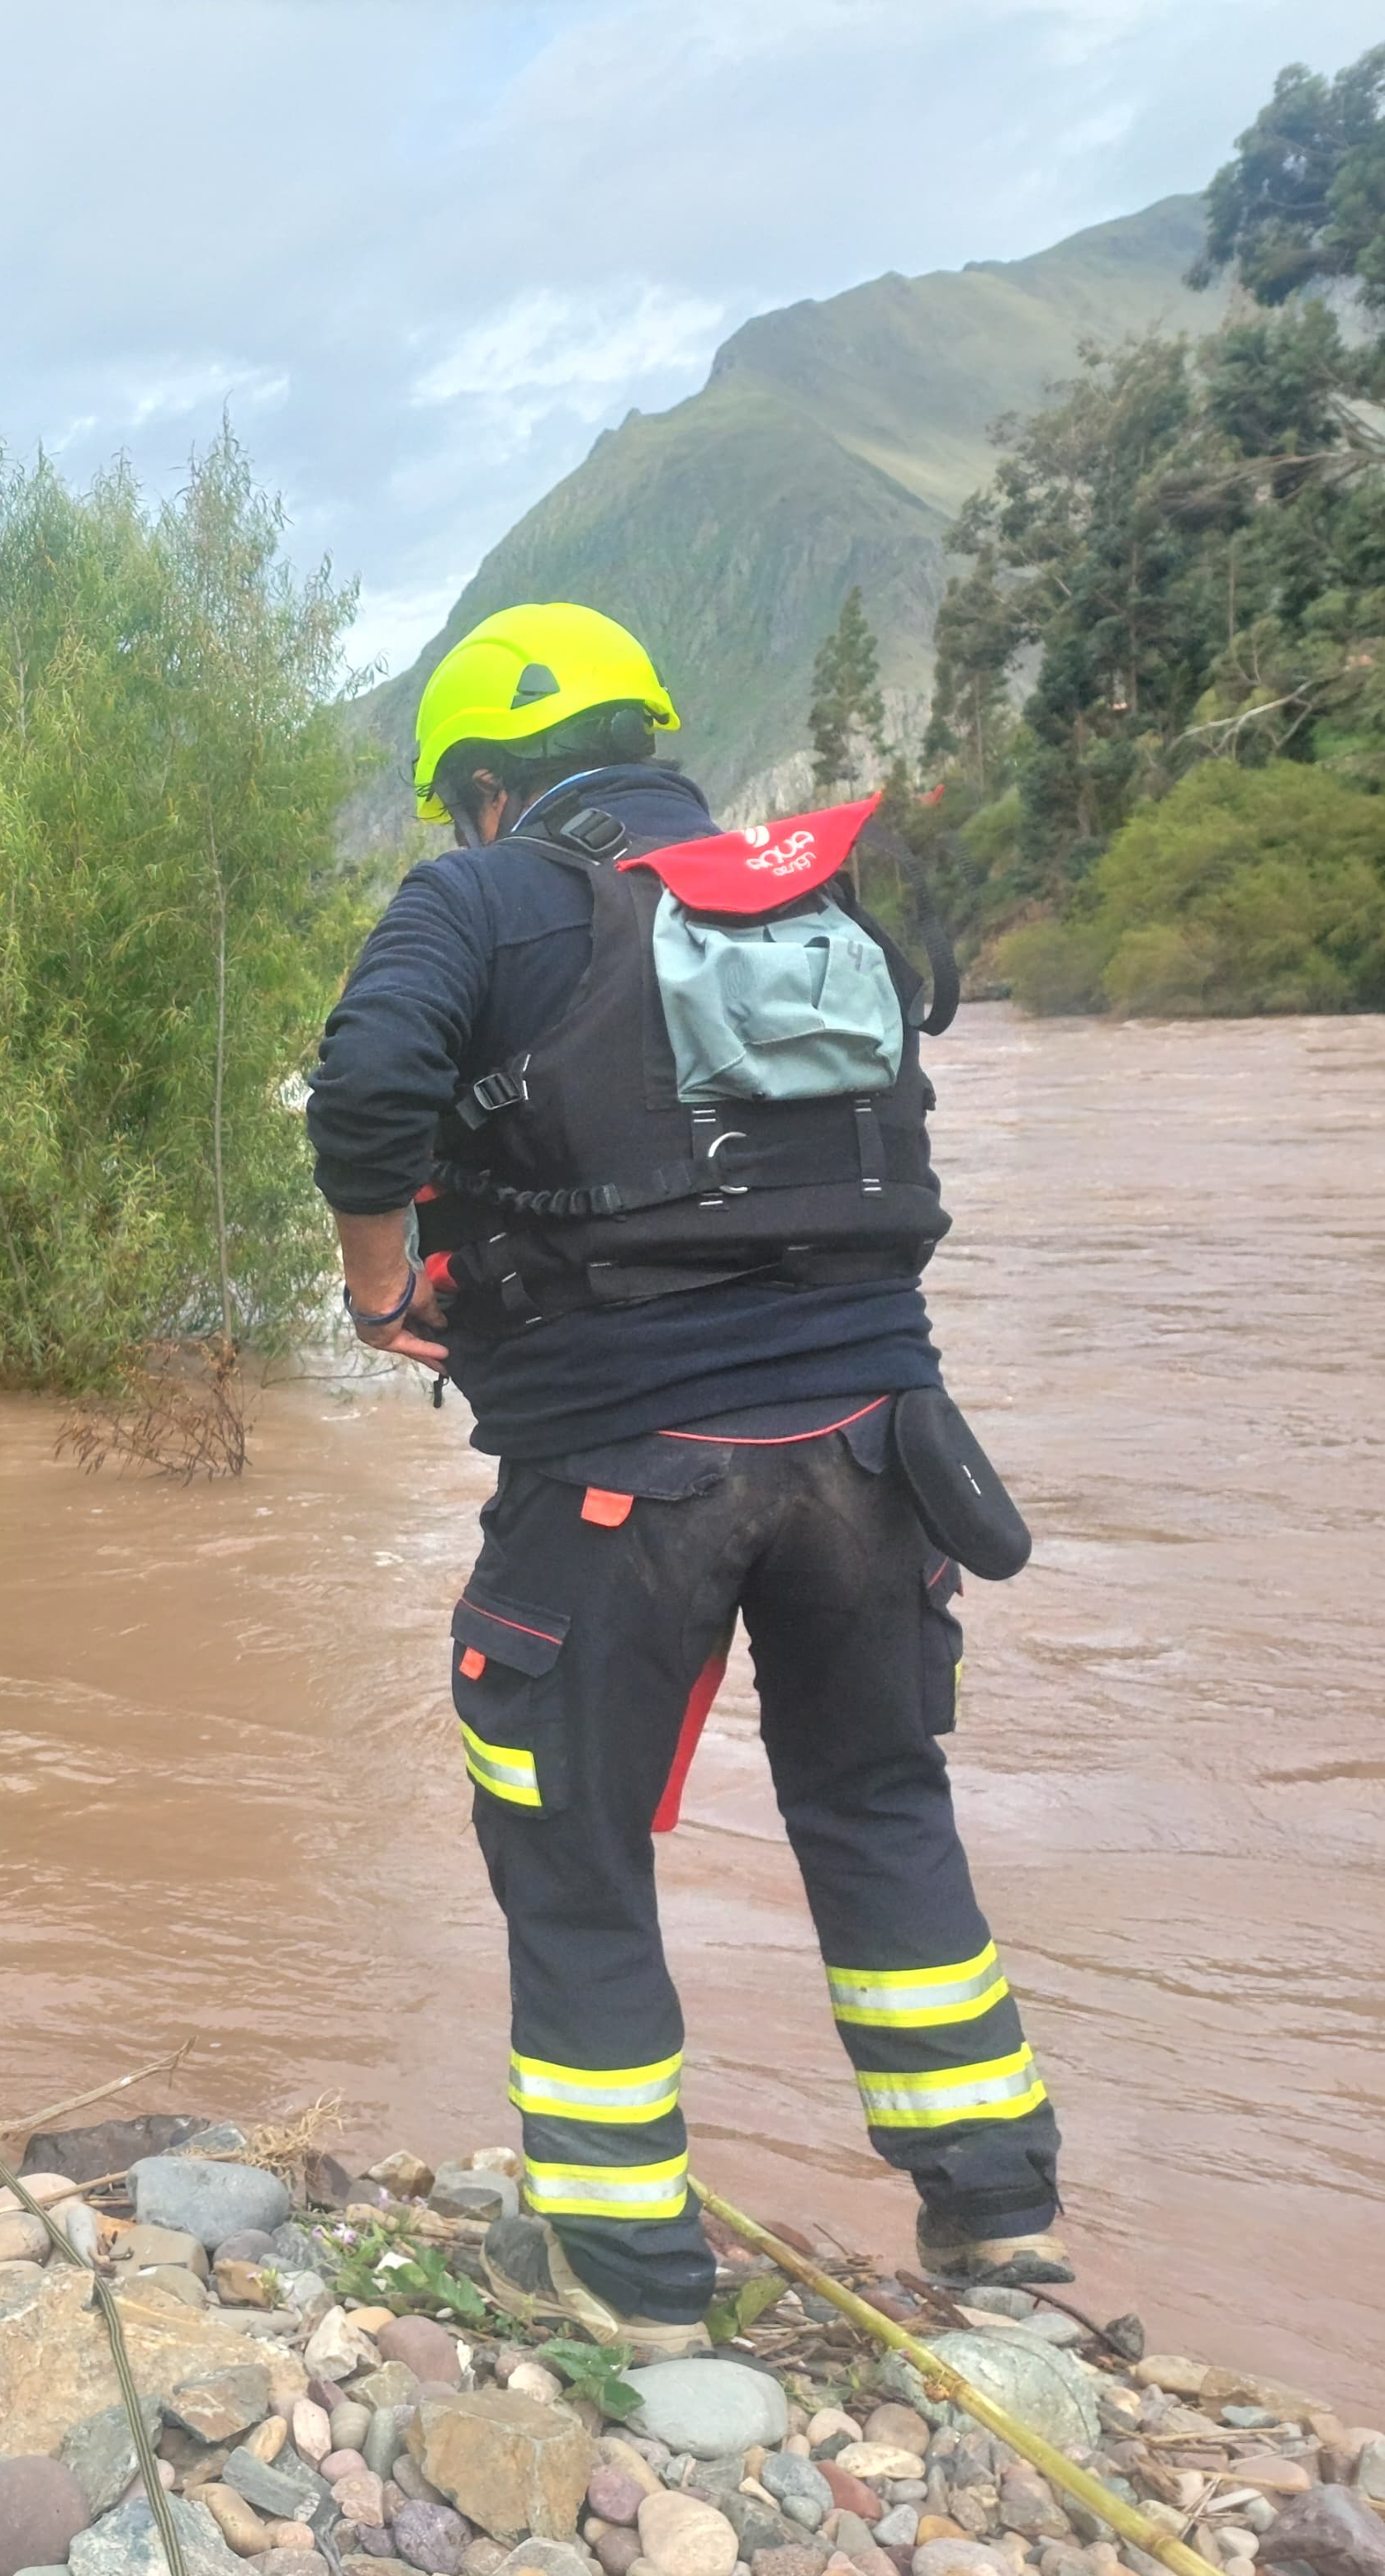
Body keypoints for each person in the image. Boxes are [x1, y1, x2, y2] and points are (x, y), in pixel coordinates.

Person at [304, 603, 1066, 2356]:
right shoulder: (803, 896)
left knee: (566, 1845)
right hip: (881, 1451)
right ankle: (998, 2217)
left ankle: (626, 2276)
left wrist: (372, 1290)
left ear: (488, 790)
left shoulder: (484, 896)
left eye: (453, 806)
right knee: (875, 1802)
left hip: (619, 1476)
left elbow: (364, 1093)